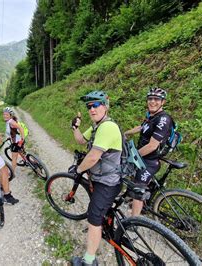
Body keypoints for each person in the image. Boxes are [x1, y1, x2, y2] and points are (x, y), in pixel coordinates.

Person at [69, 90, 123, 266]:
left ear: (105, 106)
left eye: (96, 105)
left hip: (108, 182)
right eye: (89, 106)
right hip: (102, 178)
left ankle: (89, 260)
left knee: (93, 217)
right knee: (100, 211)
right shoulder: (96, 126)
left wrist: (78, 170)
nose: (92, 109)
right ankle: (103, 226)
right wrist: (75, 128)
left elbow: (93, 157)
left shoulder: (108, 127)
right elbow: (80, 141)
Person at [123, 87, 174, 216]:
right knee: (135, 178)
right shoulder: (151, 116)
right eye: (150, 99)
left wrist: (133, 156)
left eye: (157, 99)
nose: (152, 102)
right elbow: (141, 127)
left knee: (138, 190)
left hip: (150, 161)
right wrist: (125, 133)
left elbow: (152, 146)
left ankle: (134, 221)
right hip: (143, 158)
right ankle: (143, 205)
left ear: (163, 102)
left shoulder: (163, 119)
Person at [2, 107, 25, 174]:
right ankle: (31, 162)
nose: (5, 116)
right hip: (16, 141)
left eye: (6, 114)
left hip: (17, 142)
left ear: (10, 115)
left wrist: (22, 139)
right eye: (4, 114)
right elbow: (13, 132)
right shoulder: (8, 121)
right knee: (22, 153)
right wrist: (9, 137)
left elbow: (20, 128)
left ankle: (12, 173)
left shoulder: (11, 122)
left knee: (14, 157)